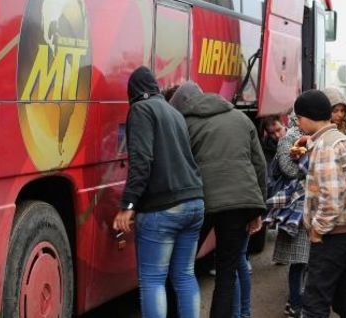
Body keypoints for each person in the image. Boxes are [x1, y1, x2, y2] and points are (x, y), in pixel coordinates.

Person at [167, 81, 266, 318]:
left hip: (201, 202)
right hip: (241, 203)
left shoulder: (185, 124)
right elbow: (260, 165)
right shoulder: (242, 119)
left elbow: (178, 166)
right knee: (226, 271)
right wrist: (258, 210)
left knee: (181, 267)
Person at [114, 67, 205, 318]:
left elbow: (142, 161)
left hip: (163, 207)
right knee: (185, 275)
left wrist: (128, 205)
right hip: (194, 202)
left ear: (132, 93)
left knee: (153, 279)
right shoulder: (174, 113)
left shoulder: (141, 110)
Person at [295, 90, 346, 318]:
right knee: (345, 299)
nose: (298, 123)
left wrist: (317, 229)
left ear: (305, 117)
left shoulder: (325, 147)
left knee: (314, 300)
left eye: (298, 118)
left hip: (332, 235)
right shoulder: (345, 141)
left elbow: (331, 197)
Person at [268, 113, 310, 318]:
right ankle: (295, 303)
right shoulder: (291, 137)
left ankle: (298, 301)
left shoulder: (315, 135)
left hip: (307, 204)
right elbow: (288, 169)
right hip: (297, 204)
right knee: (299, 260)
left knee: (305, 260)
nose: (276, 134)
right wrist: (310, 164)